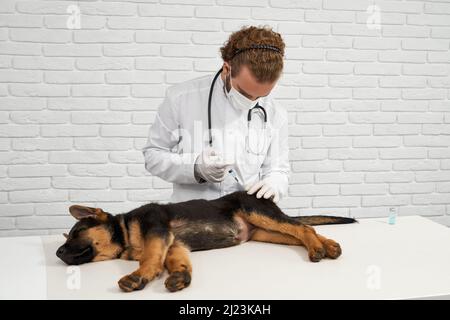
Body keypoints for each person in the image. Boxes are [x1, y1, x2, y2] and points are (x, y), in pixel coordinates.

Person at [142, 26, 289, 203]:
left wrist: (275, 183)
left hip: (245, 218)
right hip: (192, 218)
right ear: (227, 69)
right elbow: (153, 156)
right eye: (244, 92)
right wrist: (195, 167)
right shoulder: (180, 98)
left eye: (261, 95)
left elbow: (279, 169)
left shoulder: (275, 113)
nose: (252, 100)